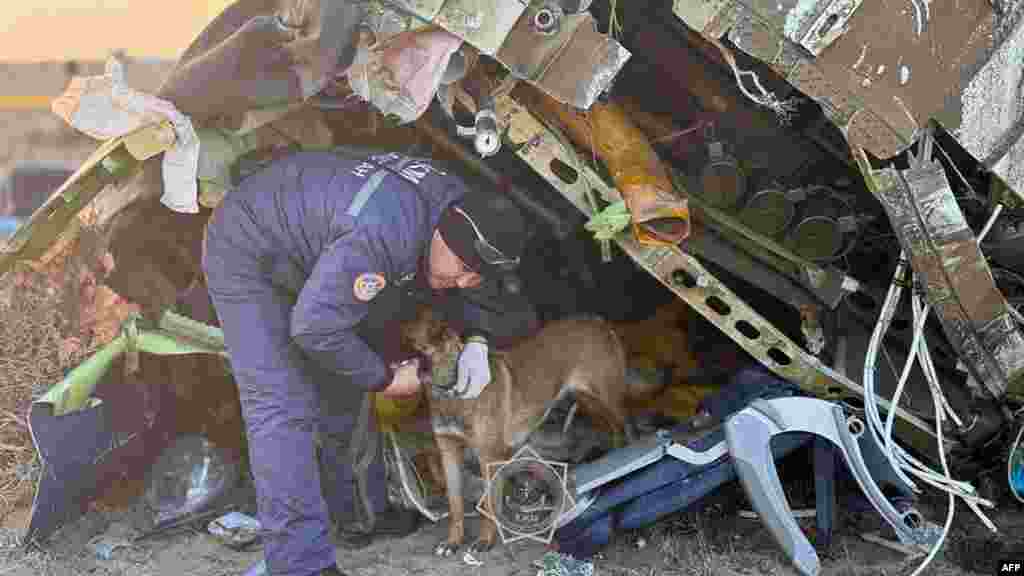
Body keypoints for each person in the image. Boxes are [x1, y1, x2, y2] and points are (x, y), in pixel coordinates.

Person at [199, 148, 537, 576]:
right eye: (465, 268)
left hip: (320, 240)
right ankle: (302, 564)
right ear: (441, 236)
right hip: (250, 247)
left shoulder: (460, 209)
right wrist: (385, 379)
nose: (466, 282)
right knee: (280, 403)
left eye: (478, 275)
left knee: (343, 378)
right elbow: (314, 327)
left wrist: (477, 339)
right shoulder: (383, 236)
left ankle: (360, 515)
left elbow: (473, 279)